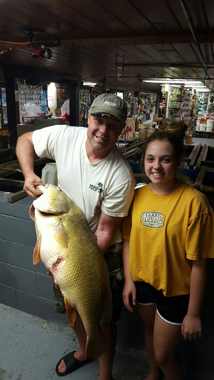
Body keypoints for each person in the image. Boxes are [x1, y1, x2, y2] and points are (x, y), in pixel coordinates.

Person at [16, 93, 135, 380]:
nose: (103, 130)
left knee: (101, 315)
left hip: (97, 247)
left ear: (122, 130)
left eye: (113, 125)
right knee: (71, 304)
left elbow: (106, 230)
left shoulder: (121, 175)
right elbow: (26, 140)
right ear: (89, 118)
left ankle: (105, 374)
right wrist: (28, 172)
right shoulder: (65, 136)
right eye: (98, 120)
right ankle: (84, 350)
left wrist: (67, 263)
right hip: (64, 235)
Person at [122, 120, 214, 380]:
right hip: (142, 283)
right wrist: (129, 280)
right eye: (150, 159)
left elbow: (200, 264)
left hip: (176, 291)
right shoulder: (137, 196)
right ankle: (153, 375)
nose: (156, 167)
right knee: (150, 333)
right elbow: (128, 239)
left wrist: (194, 314)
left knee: (164, 354)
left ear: (178, 161)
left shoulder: (195, 204)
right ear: (143, 160)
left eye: (165, 160)